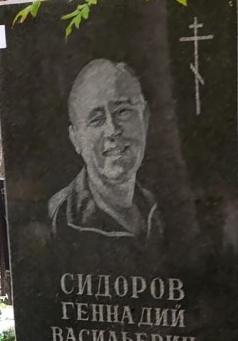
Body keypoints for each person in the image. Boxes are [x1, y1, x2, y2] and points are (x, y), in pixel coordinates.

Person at [48, 59, 164, 242]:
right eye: (96, 120)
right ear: (76, 139)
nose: (112, 130)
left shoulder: (158, 207)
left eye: (123, 111)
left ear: (145, 118)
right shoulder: (60, 219)